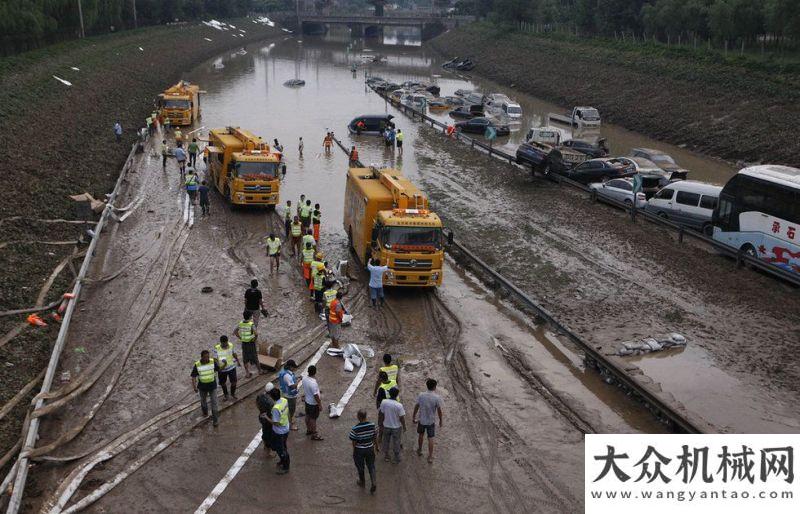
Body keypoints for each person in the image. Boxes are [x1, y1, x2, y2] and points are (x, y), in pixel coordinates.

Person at [413, 378, 443, 464]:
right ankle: (430, 456)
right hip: (431, 421)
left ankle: (419, 450)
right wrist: (441, 420)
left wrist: (414, 416)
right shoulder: (437, 397)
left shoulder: (421, 395)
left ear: (427, 386)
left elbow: (416, 406)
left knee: (421, 435)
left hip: (421, 420)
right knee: (430, 438)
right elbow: (439, 411)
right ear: (435, 387)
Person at [350, 409, 378, 494]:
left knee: (360, 466)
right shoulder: (372, 425)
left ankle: (362, 481)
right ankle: (373, 482)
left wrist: (354, 450)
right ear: (366, 416)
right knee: (371, 465)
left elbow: (354, 441)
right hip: (370, 448)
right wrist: (376, 446)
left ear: (358, 417)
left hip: (359, 450)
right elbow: (375, 437)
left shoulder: (355, 429)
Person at [190, 350, 220, 427]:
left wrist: (221, 363)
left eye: (208, 356)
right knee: (203, 401)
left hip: (212, 386)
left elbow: (218, 369)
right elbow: (193, 376)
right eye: (205, 357)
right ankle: (205, 412)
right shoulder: (197, 364)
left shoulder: (212, 362)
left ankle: (215, 421)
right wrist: (194, 387)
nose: (207, 358)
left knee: (214, 403)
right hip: (202, 387)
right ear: (202, 357)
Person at [267, 387, 291, 474]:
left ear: (272, 397)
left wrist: (266, 417)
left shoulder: (275, 408)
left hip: (279, 431)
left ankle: (286, 466)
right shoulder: (284, 400)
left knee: (281, 449)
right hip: (285, 428)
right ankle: (283, 460)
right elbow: (287, 412)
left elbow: (276, 423)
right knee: (281, 446)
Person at [378, 387, 405, 463]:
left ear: (389, 393)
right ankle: (396, 457)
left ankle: (386, 456)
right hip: (396, 427)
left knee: (386, 441)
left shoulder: (384, 402)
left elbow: (381, 414)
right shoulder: (399, 405)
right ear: (397, 395)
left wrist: (380, 423)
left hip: (386, 425)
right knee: (396, 442)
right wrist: (404, 426)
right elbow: (402, 418)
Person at [214, 335, 240, 401]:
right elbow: (215, 359)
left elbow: (234, 353)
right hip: (222, 370)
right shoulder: (216, 348)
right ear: (221, 342)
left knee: (234, 382)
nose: (225, 344)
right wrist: (218, 367)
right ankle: (226, 395)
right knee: (222, 383)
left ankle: (232, 394)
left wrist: (237, 360)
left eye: (226, 343)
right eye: (224, 343)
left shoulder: (231, 345)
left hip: (231, 367)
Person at [234, 310, 258, 378]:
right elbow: (256, 334)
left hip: (244, 343)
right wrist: (254, 339)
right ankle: (259, 370)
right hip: (250, 342)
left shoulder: (241, 323)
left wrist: (240, 337)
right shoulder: (251, 324)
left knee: (245, 358)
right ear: (250, 316)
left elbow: (235, 331)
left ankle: (247, 372)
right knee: (254, 355)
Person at [302, 365, 323, 440]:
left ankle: (308, 430)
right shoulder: (313, 383)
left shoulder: (304, 379)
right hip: (313, 404)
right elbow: (315, 395)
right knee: (313, 419)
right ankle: (314, 435)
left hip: (307, 402)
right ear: (315, 372)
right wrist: (320, 404)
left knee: (307, 416)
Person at [278, 360, 300, 431]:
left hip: (285, 394)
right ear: (290, 367)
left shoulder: (284, 372)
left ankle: (289, 421)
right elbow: (292, 386)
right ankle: (290, 425)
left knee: (288, 410)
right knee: (291, 410)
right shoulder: (287, 376)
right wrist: (299, 380)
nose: (294, 368)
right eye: (293, 367)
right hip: (290, 396)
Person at [256, 382, 276, 457]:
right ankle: (268, 452)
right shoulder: (270, 401)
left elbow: (257, 404)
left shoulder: (260, 396)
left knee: (265, 432)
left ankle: (265, 447)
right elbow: (272, 411)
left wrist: (261, 412)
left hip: (262, 416)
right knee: (269, 434)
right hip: (268, 419)